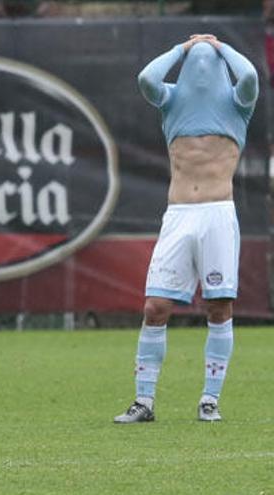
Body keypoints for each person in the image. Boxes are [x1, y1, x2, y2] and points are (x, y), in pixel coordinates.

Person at [115, 34, 258, 423]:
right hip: (178, 214)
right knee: (155, 307)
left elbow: (250, 75)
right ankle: (144, 402)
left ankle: (209, 399)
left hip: (217, 214)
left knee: (218, 306)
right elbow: (146, 77)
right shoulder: (172, 98)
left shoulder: (236, 102)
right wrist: (181, 48)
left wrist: (220, 46)